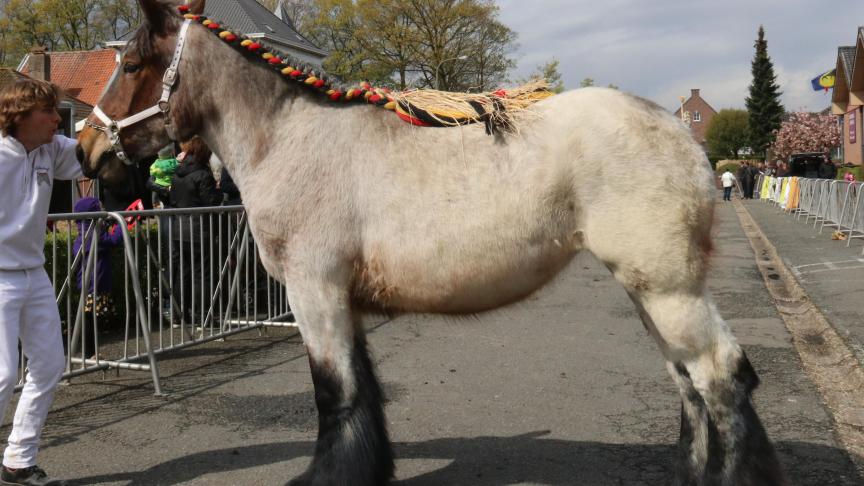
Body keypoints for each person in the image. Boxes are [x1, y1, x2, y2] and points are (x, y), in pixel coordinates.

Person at [0, 78, 79, 485]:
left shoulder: (53, 149)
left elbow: (101, 148)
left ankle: (19, 460)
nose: (57, 120)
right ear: (20, 115)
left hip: (35, 274)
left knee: (48, 366)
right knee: (2, 374)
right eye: (48, 112)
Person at [168, 138, 222, 325]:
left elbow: (172, 199)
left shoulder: (177, 173)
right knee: (202, 274)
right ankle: (204, 315)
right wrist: (218, 192)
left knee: (182, 272)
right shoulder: (202, 174)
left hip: (179, 229)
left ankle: (178, 314)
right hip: (199, 230)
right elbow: (211, 202)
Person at [71, 197, 123, 358]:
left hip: (88, 283)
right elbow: (114, 240)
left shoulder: (83, 233)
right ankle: (89, 354)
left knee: (90, 317)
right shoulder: (95, 236)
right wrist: (120, 225)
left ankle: (90, 353)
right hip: (95, 283)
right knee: (90, 319)